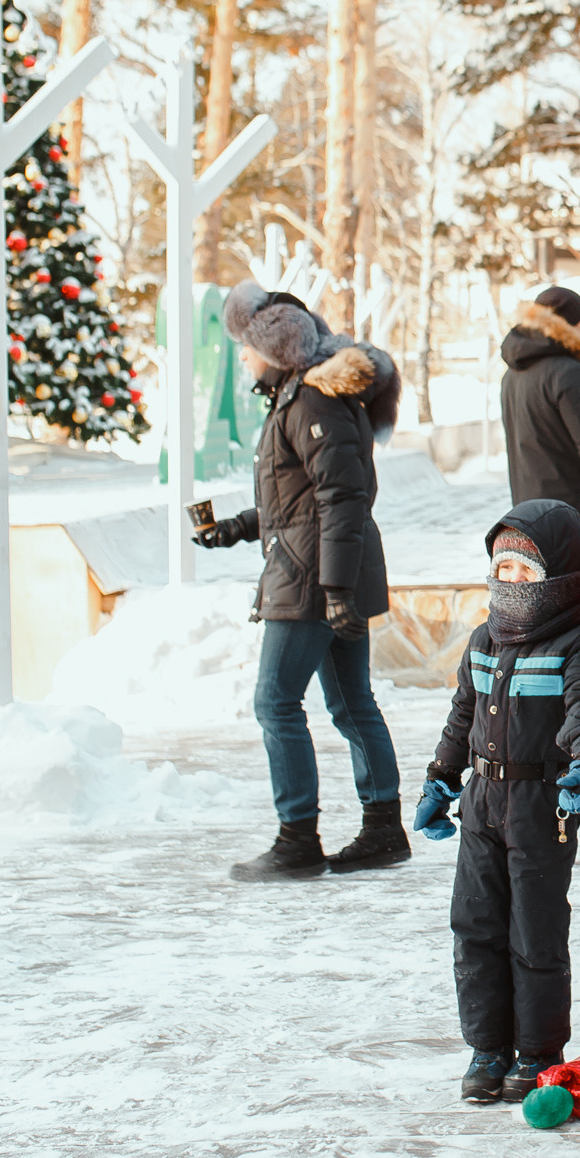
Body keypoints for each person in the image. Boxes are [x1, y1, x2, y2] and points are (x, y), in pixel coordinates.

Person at [201, 280, 406, 881]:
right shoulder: (299, 399)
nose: (243, 358)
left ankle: (297, 838)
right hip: (324, 569)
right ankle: (382, 829)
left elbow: (343, 497)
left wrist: (335, 590)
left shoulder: (312, 402)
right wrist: (238, 527)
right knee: (350, 702)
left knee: (276, 702)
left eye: (247, 346)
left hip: (313, 577)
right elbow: (299, 500)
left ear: (274, 348)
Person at [411, 499, 580, 1103]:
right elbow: (461, 717)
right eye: (504, 569)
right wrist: (440, 778)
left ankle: (538, 1051)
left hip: (541, 805)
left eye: (527, 570)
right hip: (480, 802)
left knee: (534, 931)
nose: (513, 580)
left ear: (559, 576)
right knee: (474, 926)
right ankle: (487, 1048)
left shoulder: (576, 641)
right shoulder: (484, 639)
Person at [500, 285, 580, 509]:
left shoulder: (512, 374)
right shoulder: (568, 372)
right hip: (569, 509)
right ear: (574, 323)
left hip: (528, 510)